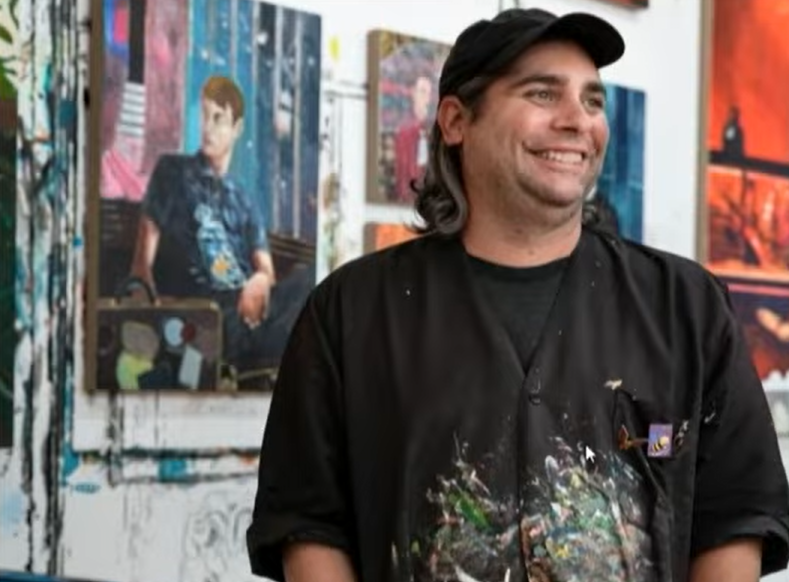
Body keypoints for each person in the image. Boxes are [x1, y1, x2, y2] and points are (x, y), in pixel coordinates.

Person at [246, 8, 789, 582]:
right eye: (542, 94)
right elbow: (309, 527)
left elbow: (733, 520)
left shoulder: (687, 308)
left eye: (592, 100)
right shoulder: (350, 314)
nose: (577, 120)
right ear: (456, 121)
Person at [130, 75, 310, 383]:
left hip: (252, 312)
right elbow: (141, 265)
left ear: (237, 129)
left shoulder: (243, 199)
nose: (208, 127)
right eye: (205, 115)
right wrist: (155, 312)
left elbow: (266, 269)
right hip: (206, 318)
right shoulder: (172, 172)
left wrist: (259, 280)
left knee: (317, 275)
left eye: (219, 119)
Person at [393, 72, 434, 202]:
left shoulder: (434, 129)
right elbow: (402, 170)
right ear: (413, 93)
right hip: (409, 195)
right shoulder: (404, 130)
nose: (425, 97)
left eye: (428, 93)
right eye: (422, 91)